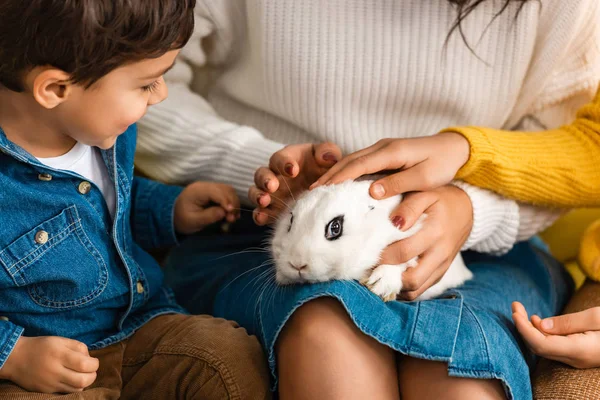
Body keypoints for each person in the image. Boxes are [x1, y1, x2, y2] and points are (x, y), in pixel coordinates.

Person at [136, 1, 600, 399]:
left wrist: (471, 210)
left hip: (487, 243)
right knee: (326, 332)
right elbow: (132, 87)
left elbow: (572, 155)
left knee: (459, 371)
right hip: (252, 224)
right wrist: (264, 171)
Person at [0, 1, 270, 398]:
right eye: (146, 83)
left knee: (225, 359)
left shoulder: (106, 134)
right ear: (56, 88)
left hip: (141, 326)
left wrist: (170, 209)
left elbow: (103, 209)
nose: (160, 95)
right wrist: (15, 355)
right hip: (45, 370)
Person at [315, 85, 600, 370]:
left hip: (505, 236)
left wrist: (470, 198)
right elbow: (591, 143)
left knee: (461, 362)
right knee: (328, 338)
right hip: (312, 213)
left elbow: (588, 147)